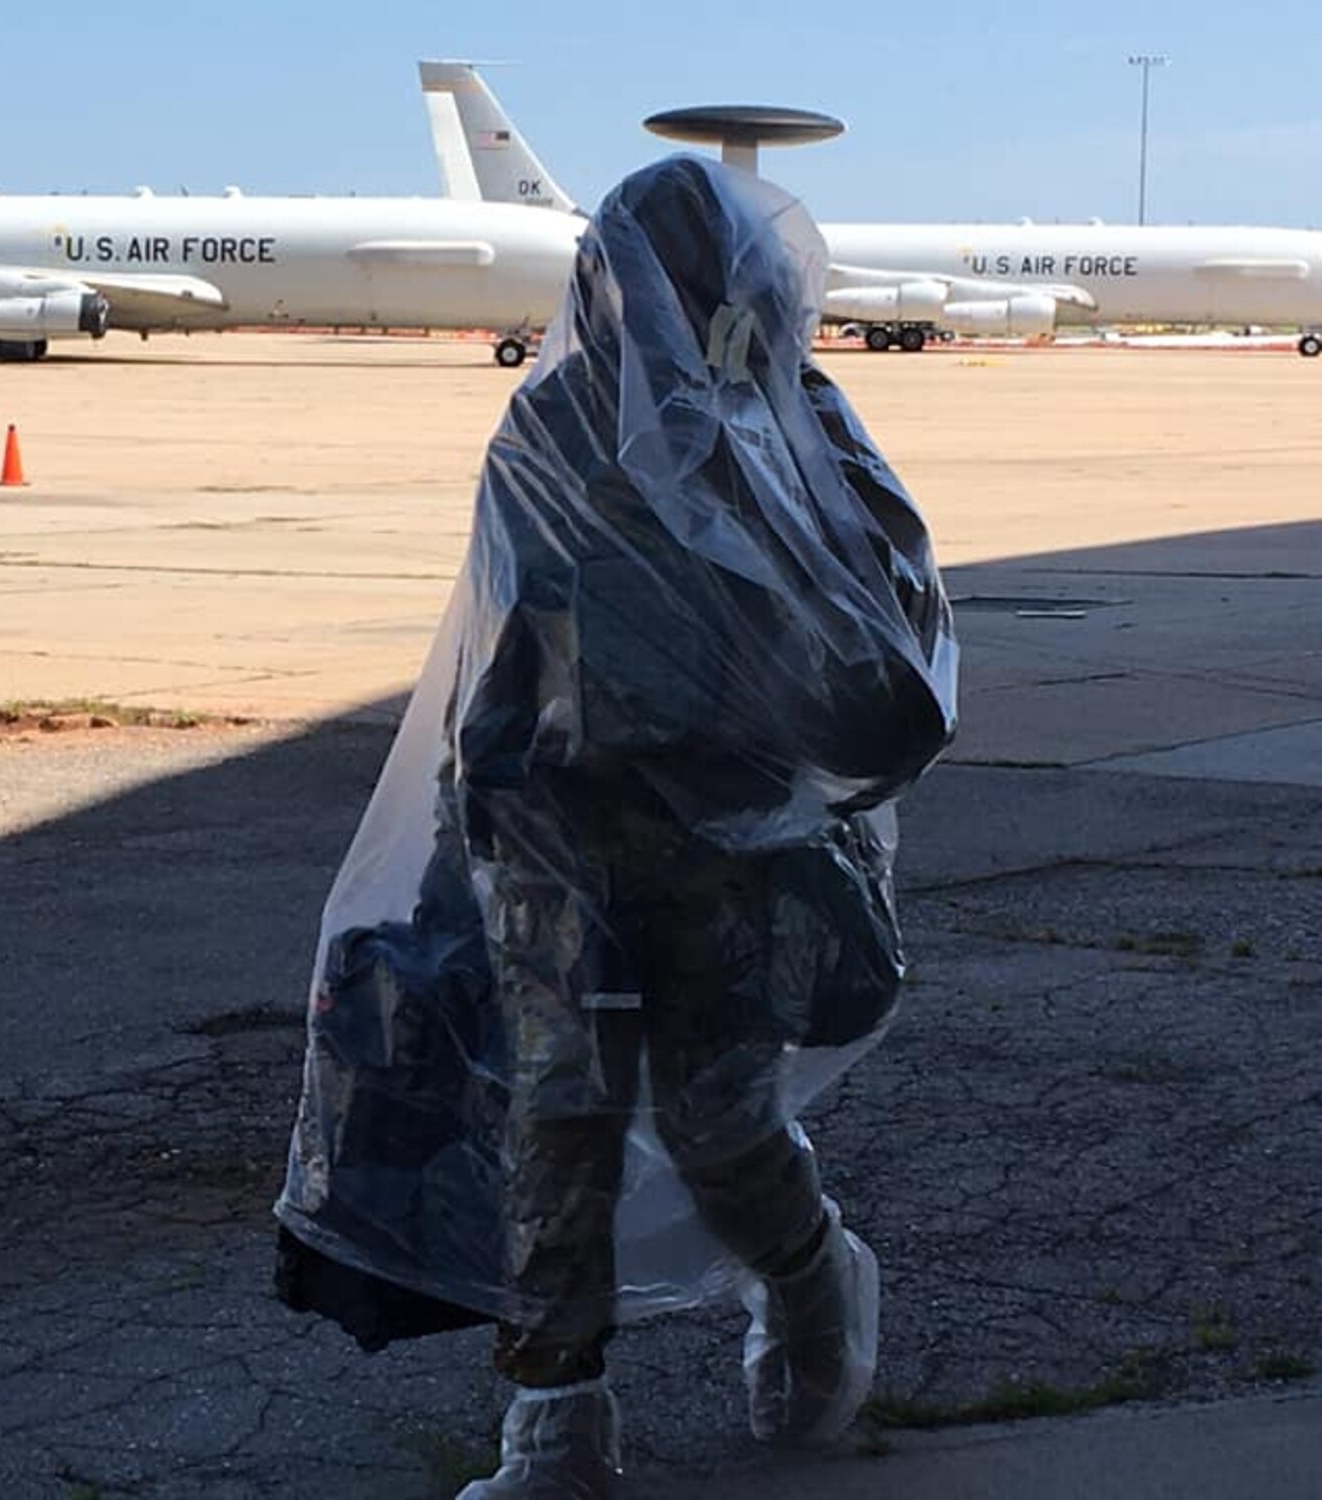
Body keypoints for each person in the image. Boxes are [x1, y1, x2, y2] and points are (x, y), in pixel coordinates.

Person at [275, 154, 958, 1498]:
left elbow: (888, 654)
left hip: (731, 841)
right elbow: (500, 626)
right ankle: (556, 1425)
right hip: (559, 826)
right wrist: (471, 818)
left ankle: (816, 1290)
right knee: (558, 1121)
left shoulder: (797, 426)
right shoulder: (559, 426)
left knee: (718, 1124)